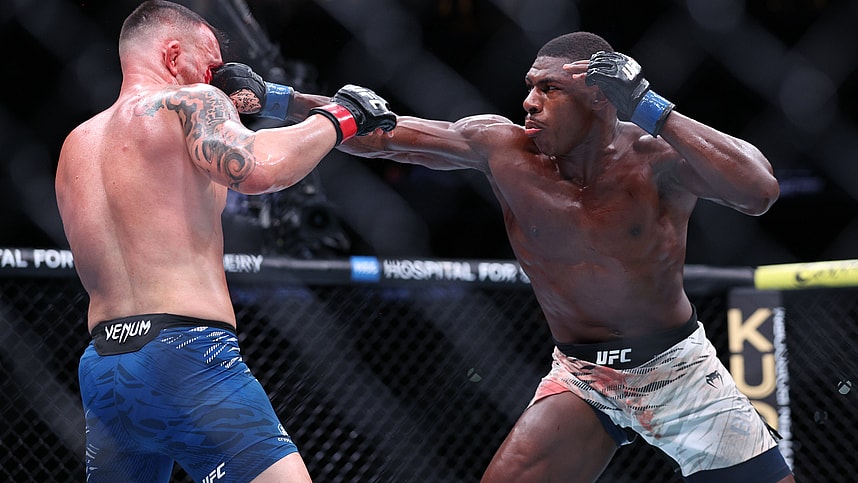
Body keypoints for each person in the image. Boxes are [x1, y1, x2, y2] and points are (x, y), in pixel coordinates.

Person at [214, 32, 794, 482]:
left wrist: (648, 105)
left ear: (599, 95)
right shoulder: (505, 149)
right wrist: (277, 100)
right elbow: (387, 134)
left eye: (549, 89)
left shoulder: (655, 158)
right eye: (529, 86)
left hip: (676, 370)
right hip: (584, 377)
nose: (529, 102)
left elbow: (759, 191)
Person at [54, 1, 394, 482]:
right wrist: (339, 117)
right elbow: (256, 169)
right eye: (211, 65)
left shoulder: (77, 143)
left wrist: (271, 100)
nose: (217, 79)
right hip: (186, 354)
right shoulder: (188, 102)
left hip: (104, 369)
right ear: (173, 55)